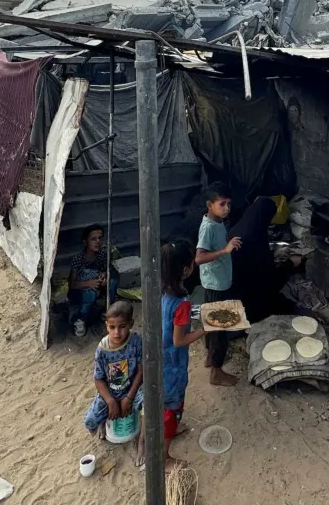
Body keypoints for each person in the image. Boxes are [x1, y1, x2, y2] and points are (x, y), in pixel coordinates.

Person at [153, 238, 206, 470]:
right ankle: (164, 456)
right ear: (186, 269)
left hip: (159, 356)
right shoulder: (182, 303)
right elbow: (179, 340)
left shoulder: (160, 291)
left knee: (163, 400)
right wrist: (206, 329)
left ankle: (171, 426)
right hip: (173, 364)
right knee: (171, 406)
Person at [194, 182, 241, 386]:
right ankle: (216, 372)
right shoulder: (208, 227)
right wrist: (225, 250)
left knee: (211, 323)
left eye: (229, 204)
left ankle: (209, 358)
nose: (227, 208)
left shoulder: (218, 223)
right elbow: (199, 258)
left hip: (218, 280)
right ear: (209, 205)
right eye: (222, 204)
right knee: (219, 329)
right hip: (215, 284)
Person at [83, 301, 144, 439]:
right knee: (90, 420)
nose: (117, 333)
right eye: (112, 327)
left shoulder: (136, 341)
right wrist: (110, 401)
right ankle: (103, 423)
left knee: (149, 405)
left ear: (131, 324)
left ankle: (142, 440)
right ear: (107, 326)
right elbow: (98, 380)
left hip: (133, 388)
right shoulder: (103, 349)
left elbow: (141, 371)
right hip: (111, 391)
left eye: (122, 327)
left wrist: (129, 398)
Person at [229, 197, 295, 324]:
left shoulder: (239, 230)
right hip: (247, 302)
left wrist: (272, 254)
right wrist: (290, 264)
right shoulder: (252, 240)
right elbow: (269, 279)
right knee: (287, 306)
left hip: (232, 289)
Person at [68, 224, 119, 337]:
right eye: (93, 239)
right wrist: (89, 283)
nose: (98, 241)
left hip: (96, 287)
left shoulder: (101, 255)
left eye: (100, 238)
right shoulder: (79, 259)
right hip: (79, 292)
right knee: (89, 293)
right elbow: (72, 285)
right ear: (85, 242)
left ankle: (107, 310)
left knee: (113, 280)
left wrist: (104, 275)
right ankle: (80, 319)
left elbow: (107, 269)